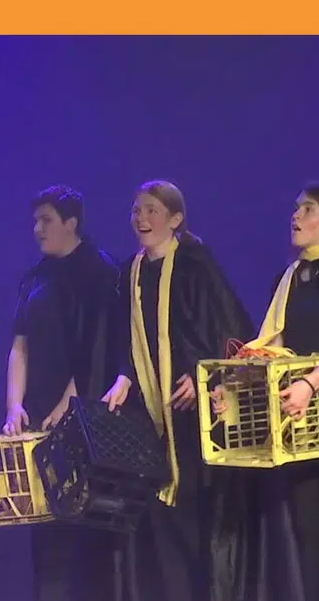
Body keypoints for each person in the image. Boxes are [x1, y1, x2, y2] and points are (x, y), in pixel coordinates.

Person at [210, 182, 319, 601]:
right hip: (289, 419)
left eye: (308, 209)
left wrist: (309, 384)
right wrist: (231, 394)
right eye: (295, 209)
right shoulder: (287, 278)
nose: (296, 216)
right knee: (290, 529)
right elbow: (270, 348)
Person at [98, 179, 254, 601]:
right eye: (136, 210)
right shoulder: (130, 272)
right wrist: (124, 377)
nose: (141, 218)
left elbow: (230, 327)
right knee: (159, 520)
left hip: (196, 412)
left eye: (151, 210)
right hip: (152, 412)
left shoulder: (195, 264)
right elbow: (128, 340)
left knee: (196, 518)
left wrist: (204, 374)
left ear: (175, 218)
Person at [1, 186, 120, 601]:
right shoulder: (35, 277)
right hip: (40, 417)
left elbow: (99, 348)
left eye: (46, 220)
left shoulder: (99, 270)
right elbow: (20, 345)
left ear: (71, 223)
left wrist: (69, 402)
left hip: (86, 418)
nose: (37, 229)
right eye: (35, 221)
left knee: (84, 532)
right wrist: (14, 405)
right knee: (46, 529)